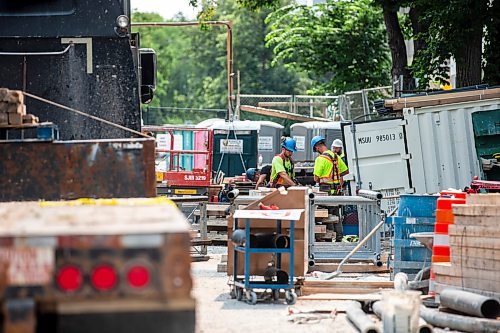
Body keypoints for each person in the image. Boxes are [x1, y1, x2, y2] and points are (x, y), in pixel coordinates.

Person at [311, 135, 349, 242]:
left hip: (326, 191)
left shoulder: (320, 159)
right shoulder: (336, 157)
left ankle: (329, 239)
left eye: (316, 149)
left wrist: (325, 177)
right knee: (336, 216)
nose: (317, 151)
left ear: (317, 147)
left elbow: (316, 178)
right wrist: (335, 177)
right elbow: (345, 171)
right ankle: (339, 239)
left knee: (326, 216)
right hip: (336, 191)